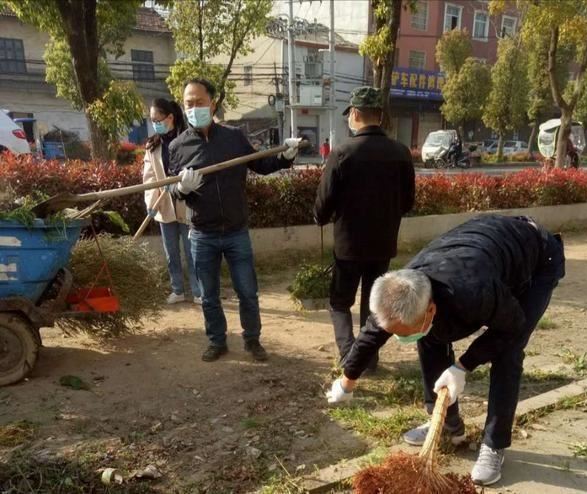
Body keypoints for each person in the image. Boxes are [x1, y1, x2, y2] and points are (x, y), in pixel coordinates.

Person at [325, 214, 565, 486]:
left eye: (404, 331)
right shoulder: (401, 289)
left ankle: (493, 445)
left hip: (535, 261)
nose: (399, 338)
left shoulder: (474, 291)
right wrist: (346, 382)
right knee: (430, 337)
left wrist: (463, 366)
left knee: (508, 351)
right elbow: (373, 332)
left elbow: (512, 327)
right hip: (482, 250)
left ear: (430, 309)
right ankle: (447, 425)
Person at [169, 78, 300, 362]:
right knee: (209, 296)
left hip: (236, 231)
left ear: (213, 103)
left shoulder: (234, 137)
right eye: (188, 103)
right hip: (202, 234)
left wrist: (285, 157)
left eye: (199, 102)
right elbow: (172, 190)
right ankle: (217, 341)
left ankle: (252, 340)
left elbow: (261, 165)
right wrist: (181, 188)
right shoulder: (178, 146)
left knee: (247, 292)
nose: (193, 108)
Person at [314, 86, 415, 373]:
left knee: (339, 302)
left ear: (355, 114)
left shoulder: (343, 152)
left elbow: (324, 199)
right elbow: (408, 202)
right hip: (383, 244)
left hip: (348, 245)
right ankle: (368, 358)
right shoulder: (401, 153)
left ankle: (349, 355)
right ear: (380, 116)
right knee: (374, 304)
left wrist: (320, 217)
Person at [142, 98, 201, 305]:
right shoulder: (152, 145)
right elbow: (148, 177)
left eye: (158, 119)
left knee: (192, 249)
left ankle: (198, 291)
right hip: (163, 203)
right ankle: (177, 290)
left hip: (186, 202)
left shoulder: (189, 139)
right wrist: (151, 200)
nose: (155, 124)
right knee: (171, 252)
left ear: (170, 118)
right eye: (152, 120)